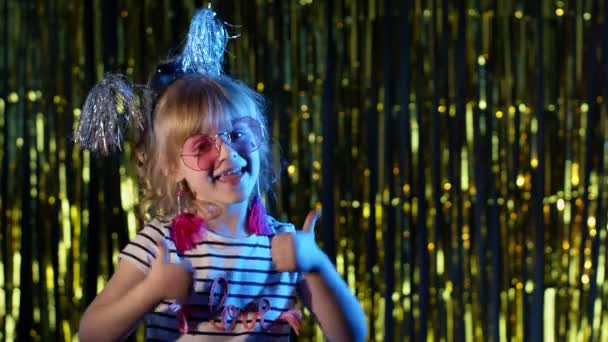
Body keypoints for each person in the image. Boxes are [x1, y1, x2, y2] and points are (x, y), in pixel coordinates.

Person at [76, 8, 366, 342]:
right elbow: (91, 334)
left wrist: (315, 264)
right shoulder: (161, 244)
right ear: (172, 168)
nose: (228, 153)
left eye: (239, 134)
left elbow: (351, 336)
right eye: (202, 146)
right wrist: (151, 291)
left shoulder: (283, 244)